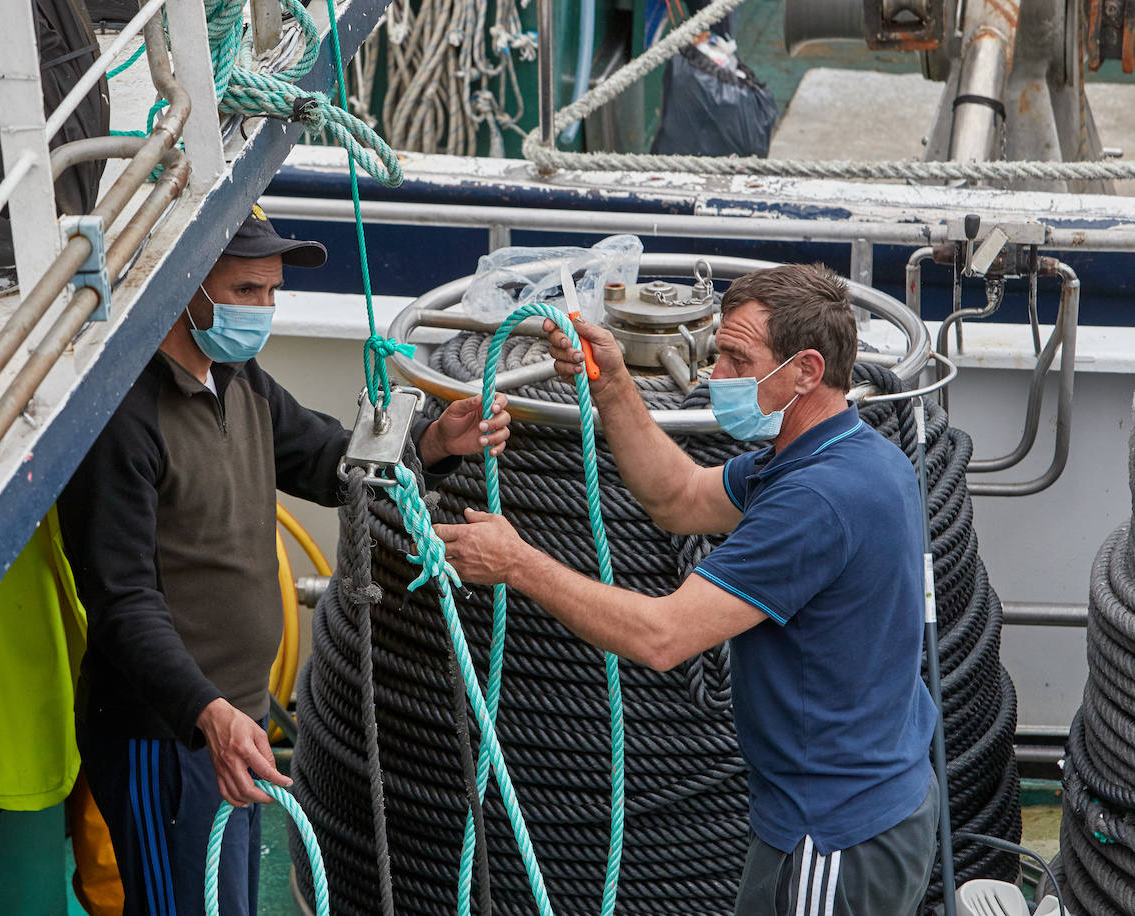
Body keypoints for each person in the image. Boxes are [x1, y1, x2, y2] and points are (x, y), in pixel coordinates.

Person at [436, 264, 939, 916]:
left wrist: (518, 564)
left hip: (834, 832)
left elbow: (663, 637)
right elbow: (677, 498)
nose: (713, 376)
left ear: (807, 370)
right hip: (855, 808)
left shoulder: (817, 499)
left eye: (736, 358)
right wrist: (613, 383)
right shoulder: (839, 454)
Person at [58, 206, 512, 916]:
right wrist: (207, 714)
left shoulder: (239, 378)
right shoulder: (120, 418)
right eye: (246, 292)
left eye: (271, 293)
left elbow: (328, 461)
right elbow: (122, 605)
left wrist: (431, 442)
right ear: (185, 288)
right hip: (165, 738)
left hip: (231, 727)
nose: (264, 310)